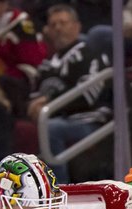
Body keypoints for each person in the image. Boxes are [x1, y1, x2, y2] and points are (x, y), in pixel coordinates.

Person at [26, 4, 111, 183]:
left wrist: (49, 105)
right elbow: (35, 97)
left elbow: (87, 96)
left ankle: (60, 187)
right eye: (53, 24)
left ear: (77, 26)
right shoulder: (47, 64)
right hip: (53, 119)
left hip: (89, 121)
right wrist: (36, 108)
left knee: (51, 128)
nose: (58, 28)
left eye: (63, 23)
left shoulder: (89, 54)